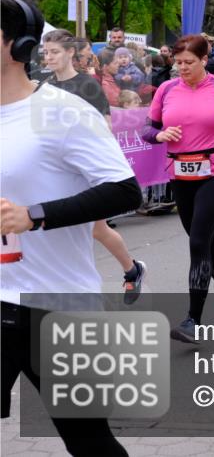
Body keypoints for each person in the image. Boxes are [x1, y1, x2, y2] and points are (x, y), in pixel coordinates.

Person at [1, 0, 142, 456]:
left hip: (56, 306)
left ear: (16, 45)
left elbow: (125, 191)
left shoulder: (64, 112)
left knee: (89, 442)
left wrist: (34, 216)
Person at [143, 33, 214, 344]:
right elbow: (148, 128)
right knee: (201, 238)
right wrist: (159, 137)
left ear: (204, 60)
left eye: (189, 62)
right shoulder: (166, 89)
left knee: (198, 239)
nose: (182, 68)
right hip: (180, 173)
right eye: (177, 63)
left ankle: (193, 320)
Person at [41, 28, 147, 303]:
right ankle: (131, 270)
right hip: (55, 169)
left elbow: (105, 128)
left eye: (54, 52)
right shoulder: (43, 86)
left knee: (93, 229)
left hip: (84, 169)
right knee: (82, 229)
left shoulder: (87, 86)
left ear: (70, 53)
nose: (49, 57)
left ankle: (130, 271)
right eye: (46, 52)